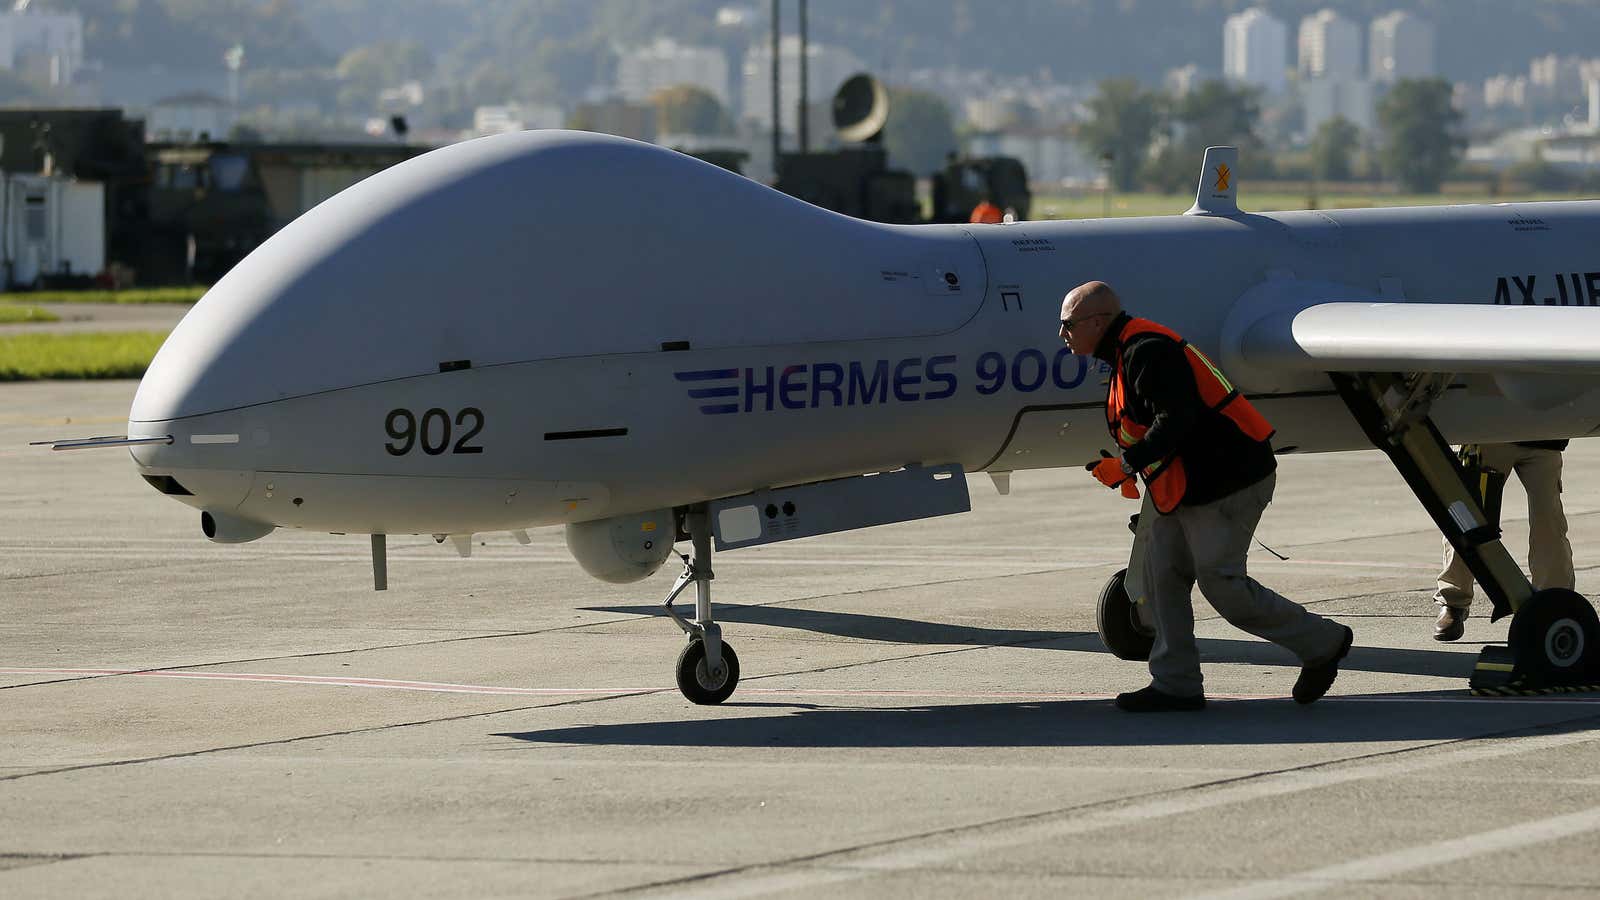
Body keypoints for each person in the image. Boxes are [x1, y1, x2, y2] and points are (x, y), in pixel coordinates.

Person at [1061, 281, 1354, 712]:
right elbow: (1152, 426)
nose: (1062, 334)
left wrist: (1127, 464)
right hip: (1186, 486)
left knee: (1223, 587)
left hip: (1226, 481)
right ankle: (1176, 684)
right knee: (1162, 580)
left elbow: (1176, 421)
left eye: (1067, 324)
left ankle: (1325, 642)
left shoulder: (1147, 351)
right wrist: (1132, 465)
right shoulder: (1126, 352)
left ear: (1097, 322)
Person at [1433, 440, 1574, 641]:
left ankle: (1553, 605)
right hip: (1489, 433)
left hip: (1542, 435)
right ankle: (1454, 601)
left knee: (1549, 524)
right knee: (1466, 517)